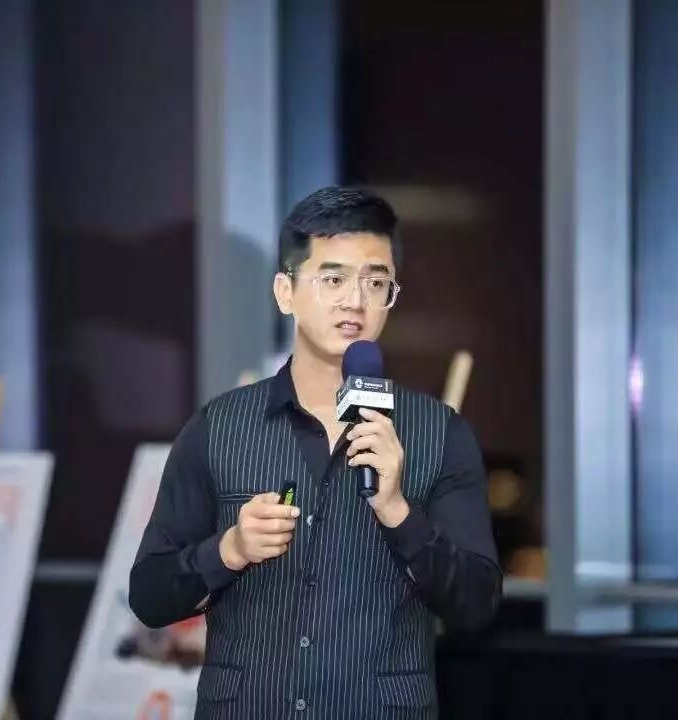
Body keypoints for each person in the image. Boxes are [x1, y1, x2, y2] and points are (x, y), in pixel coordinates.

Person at [129, 186, 501, 718]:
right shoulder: (218, 427)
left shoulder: (440, 434)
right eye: (333, 279)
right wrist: (230, 549)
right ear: (286, 292)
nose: (356, 301)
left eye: (376, 282)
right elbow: (148, 595)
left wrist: (398, 512)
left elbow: (477, 605)